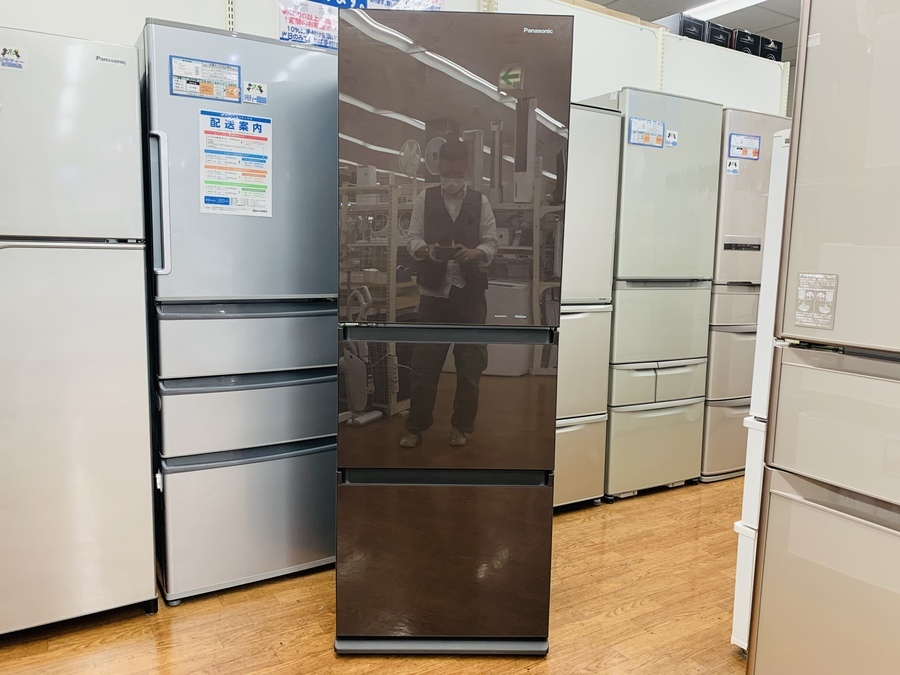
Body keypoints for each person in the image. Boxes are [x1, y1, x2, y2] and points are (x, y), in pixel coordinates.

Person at [399, 139, 499, 448]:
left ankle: (461, 428)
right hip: (433, 295)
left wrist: (475, 253)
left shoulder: (481, 202)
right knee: (424, 367)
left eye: (457, 174)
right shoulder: (424, 198)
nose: (451, 180)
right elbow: (411, 239)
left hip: (470, 296)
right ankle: (415, 428)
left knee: (470, 368)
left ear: (466, 169)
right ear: (438, 168)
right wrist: (424, 249)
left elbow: (491, 243)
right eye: (446, 174)